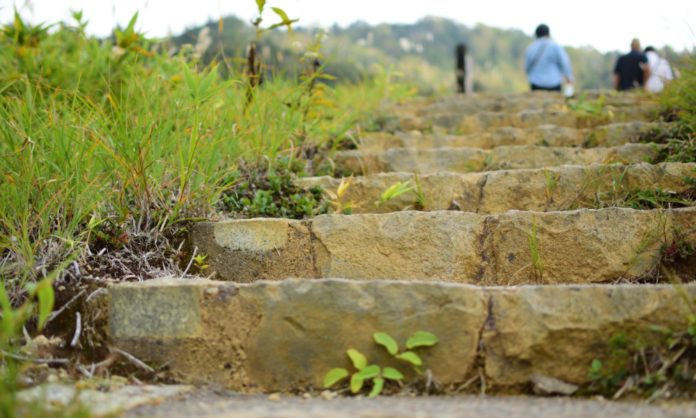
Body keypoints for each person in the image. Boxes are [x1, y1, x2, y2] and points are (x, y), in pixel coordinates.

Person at [524, 24, 574, 95]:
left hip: (536, 83)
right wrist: (569, 77)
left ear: (536, 35)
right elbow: (564, 63)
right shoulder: (555, 46)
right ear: (548, 34)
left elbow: (527, 68)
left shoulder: (530, 48)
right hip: (554, 83)